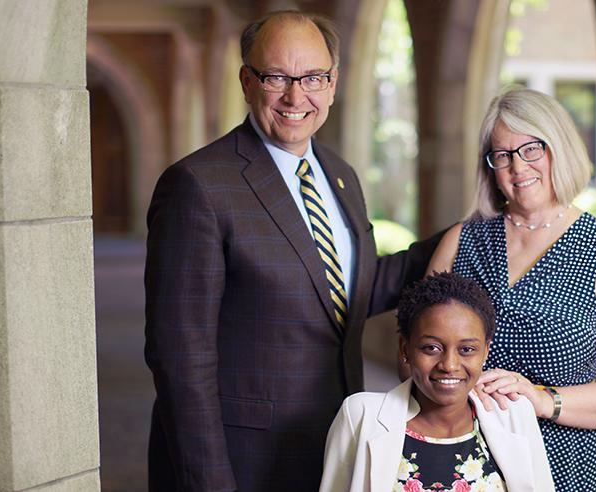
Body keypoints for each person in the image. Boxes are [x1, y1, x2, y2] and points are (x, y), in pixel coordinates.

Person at [144, 10, 439, 491]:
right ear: (246, 80)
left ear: (334, 82)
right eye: (277, 76)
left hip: (333, 446)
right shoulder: (198, 186)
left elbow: (354, 289)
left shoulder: (339, 175)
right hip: (243, 463)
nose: (295, 96)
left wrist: (474, 229)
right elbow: (180, 359)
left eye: (313, 78)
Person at [425, 87, 596, 491]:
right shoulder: (461, 240)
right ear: (491, 168)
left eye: (532, 149)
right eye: (503, 155)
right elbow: (411, 350)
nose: (518, 167)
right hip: (462, 462)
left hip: (566, 467)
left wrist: (541, 399)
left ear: (559, 148)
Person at [320, 272, 555, 491]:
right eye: (431, 348)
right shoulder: (361, 415)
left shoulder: (513, 413)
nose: (449, 365)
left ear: (485, 351)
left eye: (466, 349)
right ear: (405, 348)